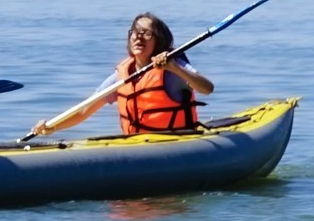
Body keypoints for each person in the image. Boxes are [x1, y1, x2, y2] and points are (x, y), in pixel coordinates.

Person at [29, 13, 214, 139]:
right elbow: (84, 110)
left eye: (147, 33)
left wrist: (174, 68)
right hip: (136, 144)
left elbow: (207, 88)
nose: (138, 37)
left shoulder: (173, 67)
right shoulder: (121, 75)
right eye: (134, 32)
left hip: (176, 142)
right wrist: (53, 127)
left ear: (160, 41)